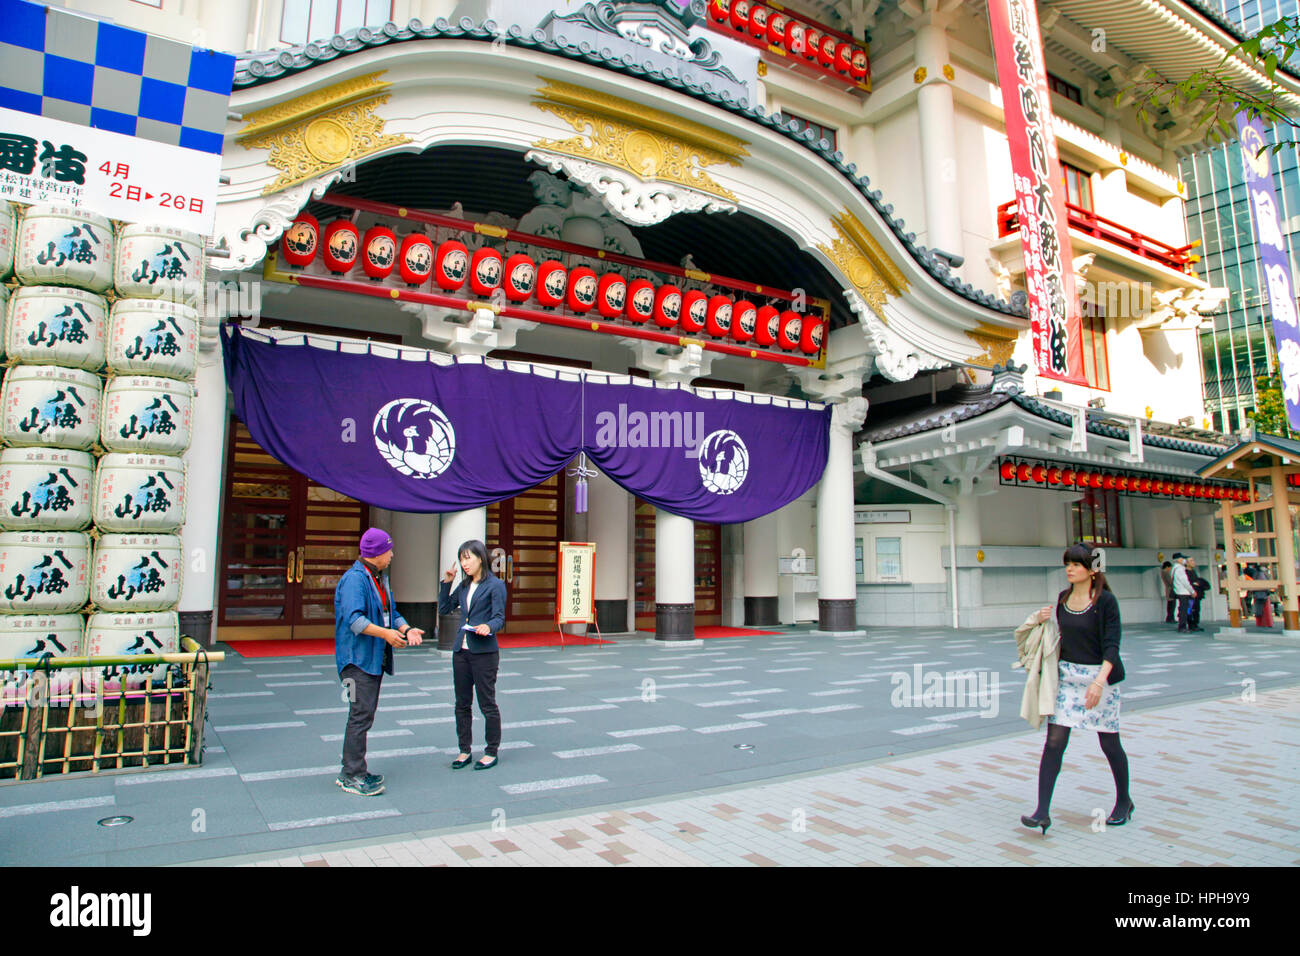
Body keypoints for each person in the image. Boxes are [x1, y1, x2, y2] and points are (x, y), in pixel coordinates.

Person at [1021, 542, 1130, 835]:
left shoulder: (1106, 601)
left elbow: (1112, 645)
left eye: (1076, 564)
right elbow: (1061, 639)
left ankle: (1124, 801)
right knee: (1054, 742)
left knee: (1109, 743)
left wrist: (1098, 682)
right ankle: (1042, 812)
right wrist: (1041, 620)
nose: (1069, 568)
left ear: (1092, 570)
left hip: (1100, 678)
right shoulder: (1062, 598)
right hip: (1068, 679)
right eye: (1067, 563)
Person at [334, 528, 424, 796]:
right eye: (390, 550)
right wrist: (386, 634)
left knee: (363, 715)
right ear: (378, 553)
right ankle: (350, 774)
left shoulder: (377, 578)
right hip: (355, 661)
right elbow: (355, 620)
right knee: (359, 715)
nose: (393, 554)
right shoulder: (354, 580)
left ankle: (356, 769)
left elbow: (390, 613)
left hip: (372, 658)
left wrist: (407, 629)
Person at [439, 539, 508, 770]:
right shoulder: (464, 585)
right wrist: (446, 583)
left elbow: (499, 617)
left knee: (487, 703)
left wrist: (489, 626)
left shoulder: (495, 585)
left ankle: (491, 751)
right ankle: (464, 750)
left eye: (468, 558)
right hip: (461, 651)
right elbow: (444, 608)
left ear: (481, 558)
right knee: (461, 703)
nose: (464, 563)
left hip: (484, 653)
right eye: (461, 558)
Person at [1171, 553, 1195, 632]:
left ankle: (1183, 625)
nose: (1184, 560)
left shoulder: (1174, 568)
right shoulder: (1180, 569)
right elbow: (1185, 581)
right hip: (1183, 592)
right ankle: (1182, 627)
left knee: (1183, 609)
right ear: (1179, 560)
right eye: (1182, 558)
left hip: (1178, 591)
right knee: (1184, 610)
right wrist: (1192, 591)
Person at [1186, 557, 1209, 632]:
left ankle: (1195, 624)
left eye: (1193, 560)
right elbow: (1190, 583)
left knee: (1196, 609)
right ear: (1187, 563)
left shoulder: (1193, 571)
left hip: (1197, 595)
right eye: (1191, 561)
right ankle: (1191, 624)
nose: (1193, 562)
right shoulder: (1185, 572)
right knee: (1189, 609)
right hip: (1190, 595)